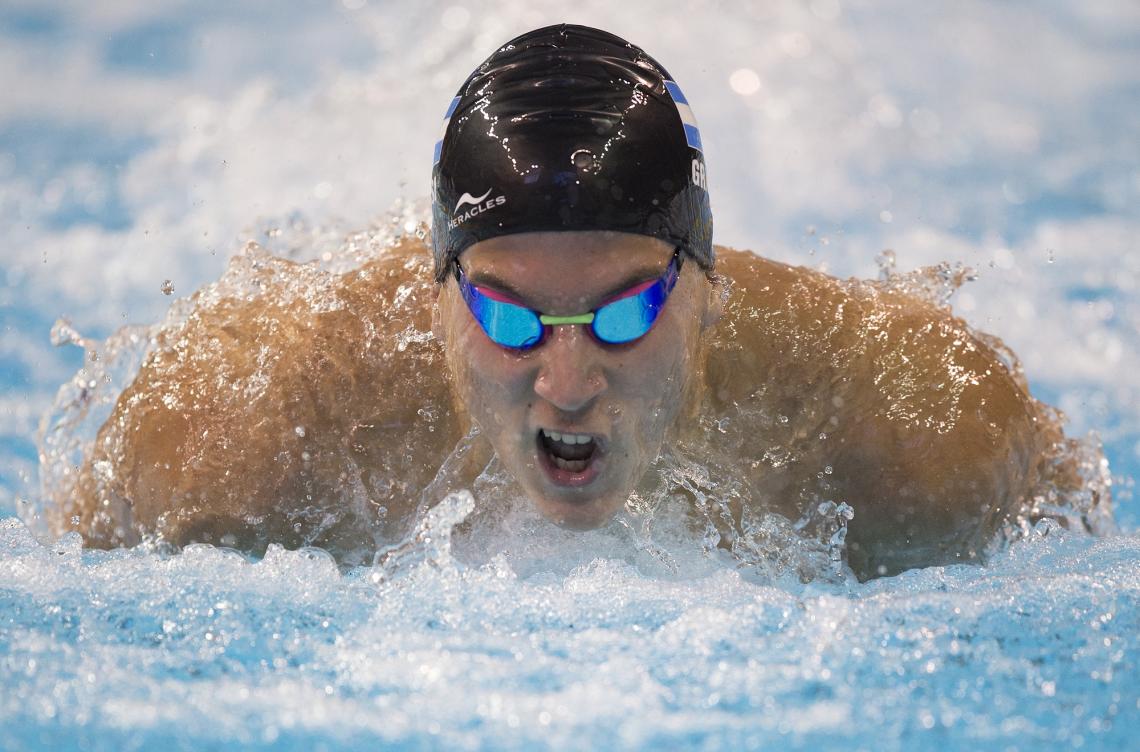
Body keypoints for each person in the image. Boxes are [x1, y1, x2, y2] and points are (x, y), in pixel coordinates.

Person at [48, 24, 1096, 579]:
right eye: (509, 319)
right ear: (437, 305)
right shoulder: (244, 438)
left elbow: (1079, 532)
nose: (566, 382)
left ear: (706, 292)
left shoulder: (908, 424)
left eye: (625, 312)